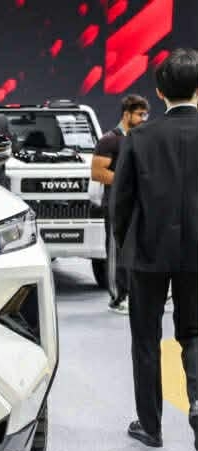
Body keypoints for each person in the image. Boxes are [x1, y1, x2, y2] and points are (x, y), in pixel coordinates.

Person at [112, 49, 198, 451]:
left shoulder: (139, 137)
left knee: (146, 338)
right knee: (195, 332)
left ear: (160, 92)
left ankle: (150, 426)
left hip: (147, 250)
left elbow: (121, 200)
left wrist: (123, 245)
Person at [91, 94, 150, 315]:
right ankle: (118, 298)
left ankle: (136, 294)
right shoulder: (109, 140)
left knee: (139, 251)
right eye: (140, 114)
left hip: (140, 204)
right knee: (117, 251)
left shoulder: (141, 138)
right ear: (127, 114)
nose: (144, 118)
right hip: (117, 205)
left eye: (145, 114)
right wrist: (129, 180)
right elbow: (98, 173)